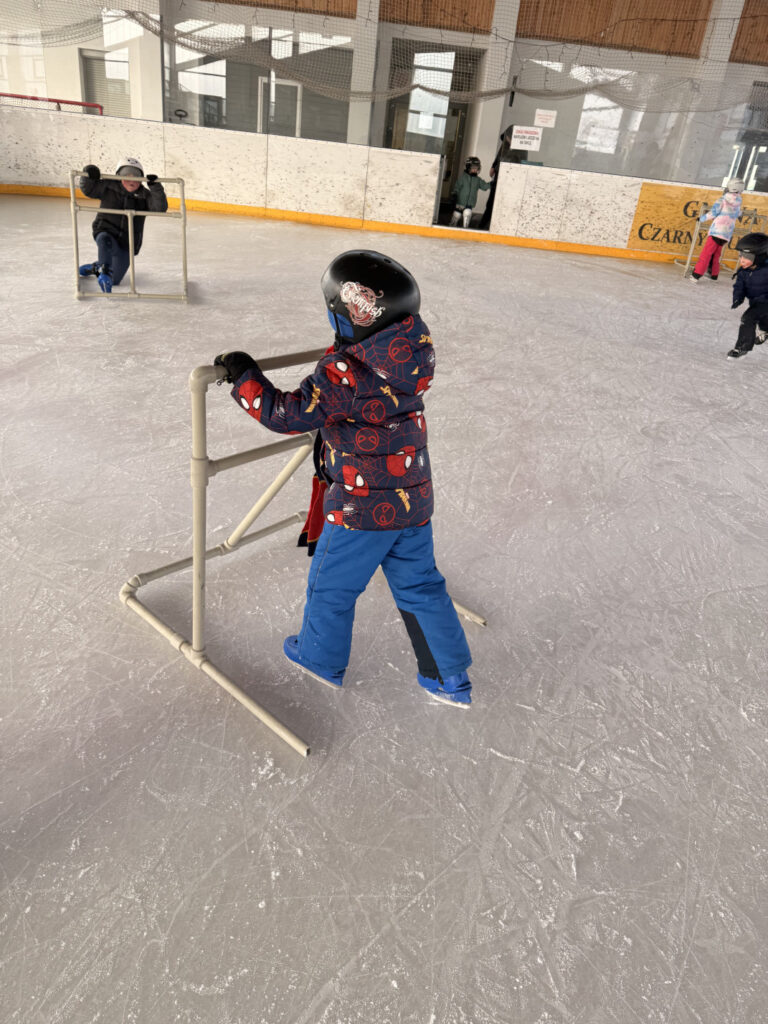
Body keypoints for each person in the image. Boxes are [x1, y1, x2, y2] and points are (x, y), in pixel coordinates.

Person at [214, 250, 474, 707]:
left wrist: (245, 378)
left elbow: (286, 415)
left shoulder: (343, 373)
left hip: (360, 507)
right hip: (413, 501)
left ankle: (319, 657)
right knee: (421, 586)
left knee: (331, 587)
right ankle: (448, 677)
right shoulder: (409, 357)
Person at [78, 157, 168, 293]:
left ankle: (96, 267)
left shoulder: (144, 196)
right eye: (127, 176)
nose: (132, 181)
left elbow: (160, 208)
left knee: (114, 281)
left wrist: (155, 188)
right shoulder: (108, 186)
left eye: (136, 177)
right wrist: (89, 174)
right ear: (119, 176)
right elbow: (89, 189)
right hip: (105, 230)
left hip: (127, 243)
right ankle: (104, 270)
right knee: (104, 240)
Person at [691, 178, 744, 282]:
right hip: (727, 233)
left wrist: (701, 219)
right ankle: (714, 274)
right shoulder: (738, 202)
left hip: (717, 231)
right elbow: (738, 213)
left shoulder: (722, 199)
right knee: (716, 254)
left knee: (706, 254)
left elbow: (713, 213)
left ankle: (696, 275)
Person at [726, 232, 768, 359]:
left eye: (747, 256)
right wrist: (738, 297)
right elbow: (739, 286)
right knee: (763, 320)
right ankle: (765, 331)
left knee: (748, 318)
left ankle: (742, 348)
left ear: (759, 257)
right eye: (741, 255)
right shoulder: (744, 271)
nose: (742, 259)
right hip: (756, 301)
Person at [450, 157, 491, 228]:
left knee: (467, 213)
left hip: (469, 203)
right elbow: (457, 186)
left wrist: (492, 183)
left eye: (477, 168)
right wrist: (454, 194)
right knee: (457, 214)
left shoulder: (478, 180)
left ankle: (465, 228)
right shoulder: (463, 177)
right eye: (473, 168)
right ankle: (451, 226)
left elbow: (484, 186)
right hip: (460, 202)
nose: (475, 170)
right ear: (468, 167)